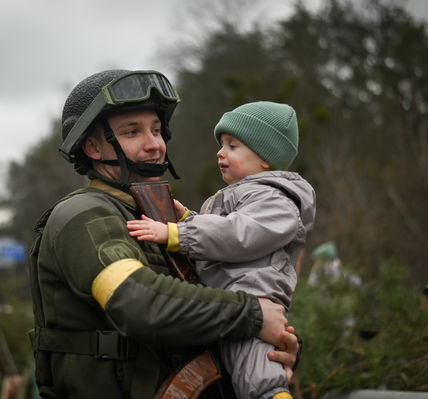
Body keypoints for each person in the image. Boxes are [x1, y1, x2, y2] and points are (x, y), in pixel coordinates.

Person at [28, 70, 300, 399]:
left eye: (157, 130)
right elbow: (137, 303)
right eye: (133, 132)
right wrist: (252, 315)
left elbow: (224, 295)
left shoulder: (166, 218)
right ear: (93, 147)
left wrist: (273, 350)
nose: (154, 144)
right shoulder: (82, 215)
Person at [127, 101, 316, 399]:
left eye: (233, 145)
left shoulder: (277, 200)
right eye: (221, 144)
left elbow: (237, 234)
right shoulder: (243, 194)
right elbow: (225, 230)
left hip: (254, 301)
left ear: (266, 157)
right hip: (232, 304)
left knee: (259, 378)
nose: (220, 152)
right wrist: (189, 218)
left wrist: (176, 233)